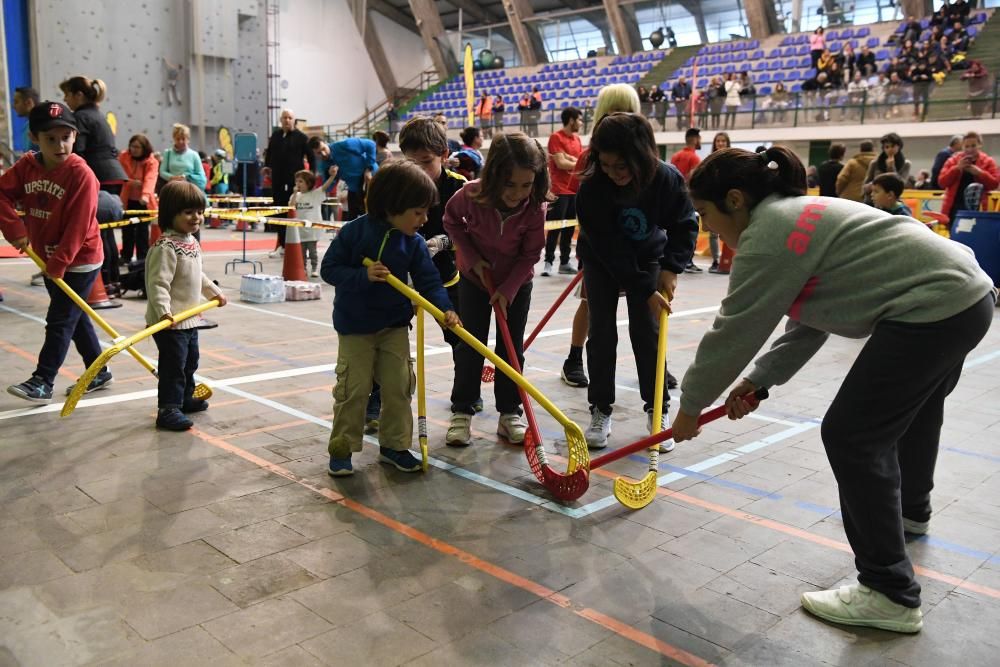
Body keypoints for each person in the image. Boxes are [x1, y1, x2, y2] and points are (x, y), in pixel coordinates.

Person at [674, 144, 994, 634]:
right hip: (967, 298)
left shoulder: (767, 234)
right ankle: (910, 515)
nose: (706, 227)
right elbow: (811, 321)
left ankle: (889, 592)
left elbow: (734, 329)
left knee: (852, 436)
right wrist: (760, 381)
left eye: (705, 214)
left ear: (735, 200)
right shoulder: (795, 215)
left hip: (933, 305)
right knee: (915, 414)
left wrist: (691, 407)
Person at [322, 160, 460, 475]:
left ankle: (395, 446)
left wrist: (445, 310)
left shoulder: (412, 243)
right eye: (418, 212)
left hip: (394, 326)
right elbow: (329, 269)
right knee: (353, 389)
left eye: (427, 212)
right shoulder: (354, 233)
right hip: (355, 327)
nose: (425, 220)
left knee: (399, 386)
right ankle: (342, 447)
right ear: (393, 205)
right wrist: (363, 275)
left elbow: (428, 281)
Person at [576, 112, 697, 450]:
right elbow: (610, 248)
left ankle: (657, 407)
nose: (614, 174)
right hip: (601, 258)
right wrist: (643, 288)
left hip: (650, 256)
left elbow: (685, 225)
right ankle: (600, 408)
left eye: (622, 166)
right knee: (601, 330)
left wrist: (671, 268)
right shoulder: (592, 188)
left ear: (642, 155)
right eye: (606, 165)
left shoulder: (667, 179)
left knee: (647, 332)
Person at [442, 133, 549, 447]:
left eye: (526, 185)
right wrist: (472, 259)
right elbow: (451, 222)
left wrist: (508, 288)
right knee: (470, 345)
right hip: (475, 280)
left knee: (511, 349)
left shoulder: (534, 207)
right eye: (510, 184)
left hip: (515, 283)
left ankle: (509, 412)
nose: (518, 193)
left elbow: (531, 254)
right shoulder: (470, 195)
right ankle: (462, 410)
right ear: (494, 177)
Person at [1, 102, 108, 403]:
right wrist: (15, 230)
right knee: (74, 317)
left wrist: (59, 263)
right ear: (35, 138)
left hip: (81, 259)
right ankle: (99, 370)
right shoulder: (27, 166)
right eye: (51, 139)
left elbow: (78, 226)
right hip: (47, 256)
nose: (60, 145)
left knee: (60, 319)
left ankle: (43, 380)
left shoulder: (82, 175)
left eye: (66, 137)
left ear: (74, 136)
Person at [558, 84, 643, 389]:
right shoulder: (589, 157)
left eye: (627, 111)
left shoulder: (642, 155)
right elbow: (586, 207)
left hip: (637, 248)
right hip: (599, 247)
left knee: (646, 306)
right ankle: (574, 358)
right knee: (592, 304)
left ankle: (656, 365)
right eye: (614, 111)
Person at [145, 181, 226, 431]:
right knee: (173, 367)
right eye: (188, 212)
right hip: (169, 322)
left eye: (200, 211)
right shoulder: (165, 247)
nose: (197, 217)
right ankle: (168, 409)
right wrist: (163, 312)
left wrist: (214, 292)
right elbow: (158, 283)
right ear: (171, 213)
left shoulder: (191, 242)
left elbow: (198, 275)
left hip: (190, 319)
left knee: (191, 361)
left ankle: (185, 398)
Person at [60, 76, 129, 291]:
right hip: (113, 173)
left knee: (98, 230)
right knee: (105, 230)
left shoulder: (80, 117)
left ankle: (105, 279)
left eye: (67, 95)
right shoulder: (97, 115)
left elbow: (76, 152)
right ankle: (111, 278)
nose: (65, 99)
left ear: (78, 95)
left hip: (98, 174)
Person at [264, 109, 312, 255]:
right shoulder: (276, 136)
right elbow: (270, 153)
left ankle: (303, 246)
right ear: (280, 120)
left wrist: (312, 177)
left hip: (296, 182)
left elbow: (311, 157)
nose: (287, 120)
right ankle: (282, 245)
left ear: (294, 120)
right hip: (277, 180)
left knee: (297, 212)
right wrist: (267, 166)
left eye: (290, 118)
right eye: (284, 118)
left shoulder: (302, 137)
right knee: (279, 210)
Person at [543, 107, 583, 277]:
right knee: (555, 227)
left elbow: (577, 161)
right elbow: (560, 163)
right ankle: (548, 262)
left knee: (569, 228)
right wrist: (573, 160)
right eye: (579, 120)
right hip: (559, 189)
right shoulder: (556, 137)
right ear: (571, 120)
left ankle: (565, 262)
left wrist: (571, 159)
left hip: (574, 190)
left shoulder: (577, 140)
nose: (581, 123)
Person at [309, 134, 378, 223]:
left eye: (323, 149)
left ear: (326, 143)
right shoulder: (323, 165)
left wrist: (369, 168)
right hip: (355, 188)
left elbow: (371, 144)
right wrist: (332, 176)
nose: (323, 154)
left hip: (372, 179)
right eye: (318, 152)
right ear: (314, 153)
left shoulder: (344, 144)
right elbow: (329, 188)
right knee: (352, 220)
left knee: (375, 215)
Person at [938, 131, 1000, 223]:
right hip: (955, 208)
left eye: (973, 145)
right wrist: (957, 168)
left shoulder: (988, 161)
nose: (970, 149)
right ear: (962, 146)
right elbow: (942, 182)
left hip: (979, 209)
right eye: (966, 146)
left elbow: (994, 184)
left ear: (980, 145)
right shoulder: (952, 161)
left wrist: (979, 173)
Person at [118, 134, 159, 264]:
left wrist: (145, 195)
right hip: (127, 200)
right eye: (132, 146)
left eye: (137, 147)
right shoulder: (124, 157)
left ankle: (142, 257)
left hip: (144, 202)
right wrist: (131, 182)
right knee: (127, 229)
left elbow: (150, 179)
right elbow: (120, 175)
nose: (133, 149)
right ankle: (126, 255)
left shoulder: (152, 162)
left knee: (142, 231)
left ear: (144, 148)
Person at [290, 169, 337, 278]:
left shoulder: (315, 194)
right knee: (301, 253)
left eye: (301, 181)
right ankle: (303, 269)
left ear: (309, 183)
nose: (298, 184)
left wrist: (332, 176)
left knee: (312, 252)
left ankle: (314, 268)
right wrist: (294, 193)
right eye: (296, 181)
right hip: (300, 231)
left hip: (312, 231)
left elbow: (325, 186)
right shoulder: (296, 196)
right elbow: (291, 207)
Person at [864, 133, 912, 205]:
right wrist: (875, 185)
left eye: (893, 146)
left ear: (899, 147)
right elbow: (865, 187)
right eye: (886, 147)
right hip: (873, 203)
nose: (890, 149)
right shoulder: (875, 163)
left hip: (892, 203)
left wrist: (891, 168)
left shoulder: (906, 164)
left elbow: (900, 186)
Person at [706, 132, 731, 273]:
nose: (720, 143)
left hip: (729, 199)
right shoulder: (710, 161)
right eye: (718, 141)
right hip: (714, 199)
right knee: (713, 232)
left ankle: (729, 260)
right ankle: (716, 261)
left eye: (723, 141)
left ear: (727, 143)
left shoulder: (733, 159)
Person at [12, 86, 39, 154]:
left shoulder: (41, 126)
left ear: (29, 103)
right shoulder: (26, 126)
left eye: (16, 102)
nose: (13, 106)